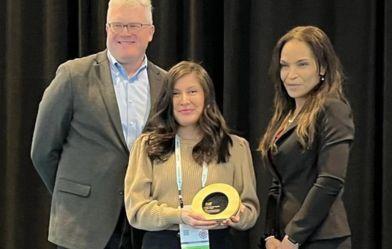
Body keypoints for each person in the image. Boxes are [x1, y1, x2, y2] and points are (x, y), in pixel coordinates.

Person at [31, 0, 166, 248]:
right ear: (106, 29)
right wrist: (72, 197)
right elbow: (42, 151)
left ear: (151, 31)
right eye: (117, 24)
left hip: (142, 225)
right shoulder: (73, 75)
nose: (124, 32)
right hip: (83, 225)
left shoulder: (165, 83)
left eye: (133, 25)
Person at [124, 61, 260, 249]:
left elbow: (250, 210)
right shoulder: (146, 146)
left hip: (218, 242)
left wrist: (238, 215)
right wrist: (179, 215)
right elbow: (136, 211)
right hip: (162, 243)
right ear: (167, 100)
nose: (184, 100)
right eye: (175, 93)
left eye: (192, 91)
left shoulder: (235, 147)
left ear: (207, 97)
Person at [258, 26, 354, 249]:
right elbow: (277, 183)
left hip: (321, 239)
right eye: (284, 66)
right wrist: (270, 234)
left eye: (302, 64)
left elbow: (330, 181)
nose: (290, 75)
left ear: (322, 67)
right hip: (283, 240)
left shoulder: (334, 109)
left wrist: (293, 237)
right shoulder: (286, 115)